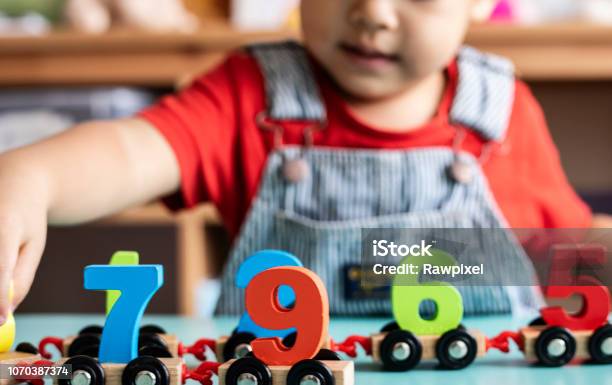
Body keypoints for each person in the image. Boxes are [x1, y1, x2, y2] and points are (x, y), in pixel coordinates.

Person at [0, 0, 597, 321]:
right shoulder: (249, 97)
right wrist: (30, 176)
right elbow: (131, 150)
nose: (373, 11)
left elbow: (569, 257)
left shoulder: (505, 113)